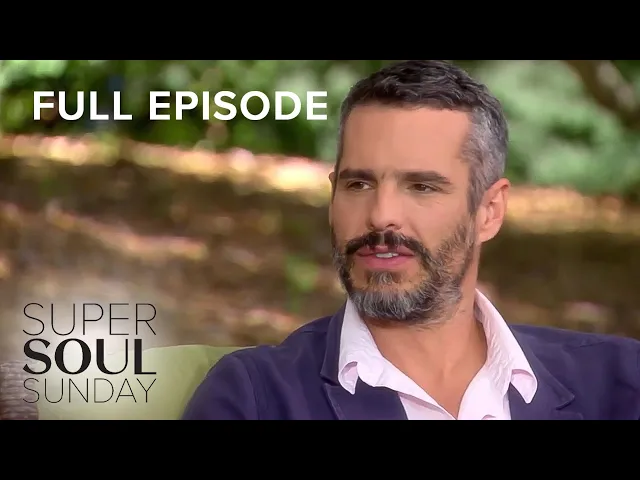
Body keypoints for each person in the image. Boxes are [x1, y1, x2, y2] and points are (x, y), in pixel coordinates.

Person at [182, 60, 640, 420]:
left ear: (489, 211)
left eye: (421, 186)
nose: (381, 215)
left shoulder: (622, 383)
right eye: (358, 184)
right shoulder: (257, 399)